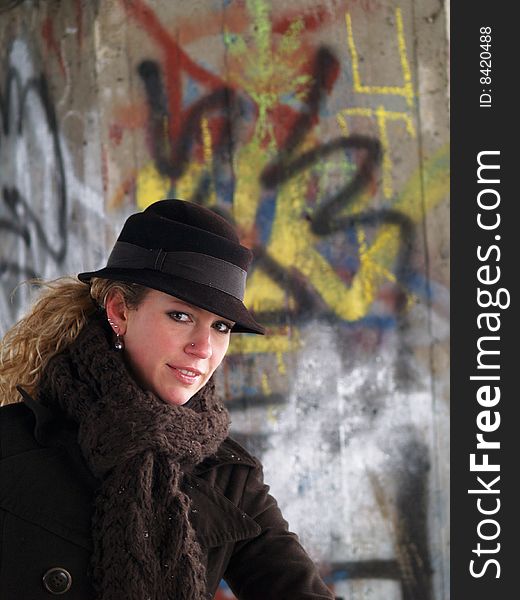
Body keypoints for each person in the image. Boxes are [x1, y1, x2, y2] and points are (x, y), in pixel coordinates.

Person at [0, 199, 334, 600]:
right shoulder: (11, 446)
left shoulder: (228, 477)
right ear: (120, 311)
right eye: (181, 315)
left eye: (221, 326)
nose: (203, 347)